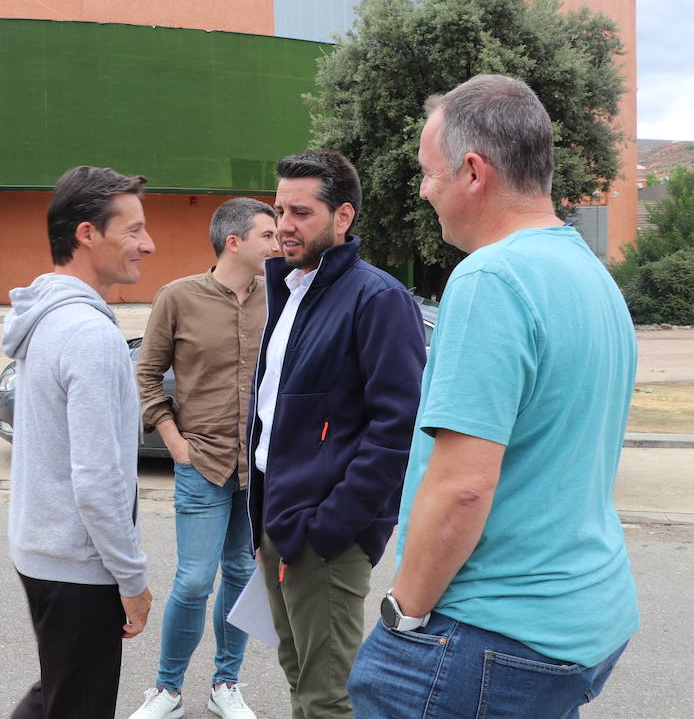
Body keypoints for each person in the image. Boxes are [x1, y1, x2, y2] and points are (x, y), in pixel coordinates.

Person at [348, 76, 638, 718]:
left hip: (488, 633)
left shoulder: (491, 277)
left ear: (473, 172)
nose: (423, 190)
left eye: (428, 173)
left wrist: (404, 613)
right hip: (583, 620)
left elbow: (463, 487)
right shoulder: (593, 276)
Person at [248, 150, 425, 719]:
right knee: (301, 680)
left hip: (324, 537)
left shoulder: (378, 298)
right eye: (279, 210)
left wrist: (330, 530)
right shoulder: (292, 291)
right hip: (278, 522)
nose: (283, 225)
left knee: (329, 699)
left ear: (342, 216)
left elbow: (397, 431)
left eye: (300, 212)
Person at [3, 165, 155, 719]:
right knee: (76, 703)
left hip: (42, 550)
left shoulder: (46, 318)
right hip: (78, 564)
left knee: (58, 692)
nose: (148, 243)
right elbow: (96, 479)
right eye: (133, 230)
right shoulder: (91, 335)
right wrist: (132, 578)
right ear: (87, 234)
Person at [127, 198, 279, 719]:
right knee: (194, 580)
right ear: (234, 242)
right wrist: (173, 442)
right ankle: (167, 690)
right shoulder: (177, 298)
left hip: (257, 469)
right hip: (202, 463)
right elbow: (146, 376)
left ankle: (226, 685)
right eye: (267, 234)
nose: (278, 242)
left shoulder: (280, 296)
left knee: (240, 572)